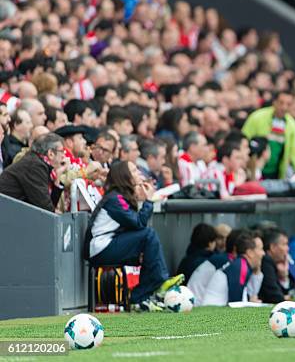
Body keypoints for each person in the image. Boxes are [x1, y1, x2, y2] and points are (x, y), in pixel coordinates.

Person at [85, 161, 184, 312]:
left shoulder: (119, 197)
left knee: (147, 246)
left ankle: (142, 296)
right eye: (134, 170)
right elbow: (138, 223)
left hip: (110, 245)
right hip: (101, 249)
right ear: (124, 176)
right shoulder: (114, 198)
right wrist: (148, 201)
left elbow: (135, 224)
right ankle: (157, 282)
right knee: (148, 235)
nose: (139, 172)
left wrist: (141, 199)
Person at [242, 90, 295, 179]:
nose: (284, 107)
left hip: (276, 172)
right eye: (281, 103)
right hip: (252, 170)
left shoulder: (292, 126)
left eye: (288, 104)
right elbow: (243, 140)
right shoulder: (257, 117)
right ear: (274, 102)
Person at [0, 133, 66, 212]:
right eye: (62, 151)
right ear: (50, 153)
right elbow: (45, 209)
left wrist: (57, 178)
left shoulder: (36, 162)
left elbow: (49, 206)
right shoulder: (34, 166)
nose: (64, 155)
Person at [197, 230, 265, 306]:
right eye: (261, 249)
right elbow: (235, 305)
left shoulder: (240, 265)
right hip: (211, 313)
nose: (263, 253)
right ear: (250, 253)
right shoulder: (240, 267)